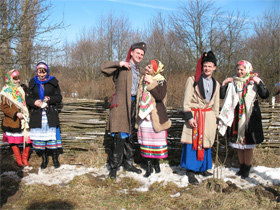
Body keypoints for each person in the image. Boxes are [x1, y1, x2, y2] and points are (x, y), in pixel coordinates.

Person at [101, 42, 147, 179]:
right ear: (132, 52)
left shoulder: (140, 70)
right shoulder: (122, 67)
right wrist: (119, 63)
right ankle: (114, 167)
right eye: (137, 53)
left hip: (134, 105)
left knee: (130, 136)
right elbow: (103, 68)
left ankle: (128, 163)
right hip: (121, 105)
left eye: (142, 54)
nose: (139, 56)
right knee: (119, 137)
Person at [219, 60, 269, 179]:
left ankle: (247, 167)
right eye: (238, 70)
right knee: (238, 144)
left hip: (249, 118)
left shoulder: (253, 82)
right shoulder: (233, 83)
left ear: (247, 70)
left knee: (248, 144)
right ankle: (241, 166)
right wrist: (224, 83)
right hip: (236, 117)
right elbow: (222, 96)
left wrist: (260, 83)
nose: (240, 72)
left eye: (242, 69)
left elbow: (265, 95)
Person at [180, 51, 220, 185]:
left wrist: (215, 120)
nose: (207, 68)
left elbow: (216, 105)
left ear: (214, 67)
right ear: (202, 67)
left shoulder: (217, 84)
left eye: (210, 66)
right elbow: (186, 101)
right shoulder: (192, 80)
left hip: (208, 118)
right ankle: (190, 171)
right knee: (193, 142)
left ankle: (203, 168)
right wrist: (189, 118)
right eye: (205, 66)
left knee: (206, 142)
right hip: (195, 116)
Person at [135, 59, 171, 178]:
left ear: (155, 70)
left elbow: (160, 96)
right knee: (146, 142)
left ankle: (157, 164)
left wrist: (151, 83)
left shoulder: (161, 81)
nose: (146, 68)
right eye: (147, 66)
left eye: (150, 67)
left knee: (156, 141)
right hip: (144, 116)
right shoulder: (142, 79)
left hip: (156, 116)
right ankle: (149, 166)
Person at [26, 62, 63, 169]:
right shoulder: (33, 82)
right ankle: (44, 159)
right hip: (38, 114)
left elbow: (59, 97)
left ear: (47, 71)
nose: (42, 75)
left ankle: (55, 159)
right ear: (36, 72)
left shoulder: (53, 81)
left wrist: (49, 99)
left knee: (52, 137)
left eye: (44, 72)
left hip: (50, 113)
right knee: (42, 140)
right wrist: (34, 102)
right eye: (39, 72)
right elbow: (28, 98)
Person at [1, 70, 32, 167]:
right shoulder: (5, 91)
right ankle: (19, 160)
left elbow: (28, 102)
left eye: (18, 78)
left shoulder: (24, 89)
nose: (18, 80)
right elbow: (4, 107)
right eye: (15, 79)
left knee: (28, 139)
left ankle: (25, 159)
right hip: (13, 120)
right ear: (10, 79)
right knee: (13, 140)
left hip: (25, 118)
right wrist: (15, 114)